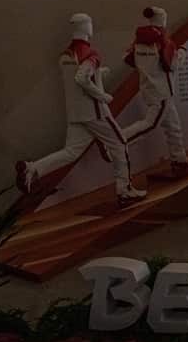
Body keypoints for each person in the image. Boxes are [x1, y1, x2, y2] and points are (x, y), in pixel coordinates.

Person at [15, 14, 146, 208]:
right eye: (90, 24)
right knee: (119, 144)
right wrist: (103, 96)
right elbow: (82, 79)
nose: (92, 27)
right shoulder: (90, 53)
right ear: (86, 27)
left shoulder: (65, 55)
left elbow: (76, 79)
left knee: (71, 152)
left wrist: (99, 74)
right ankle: (124, 189)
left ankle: (32, 168)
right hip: (95, 112)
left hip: (76, 114)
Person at [120, 6, 188, 176]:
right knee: (150, 124)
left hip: (149, 89)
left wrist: (147, 69)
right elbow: (173, 65)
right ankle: (117, 139)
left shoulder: (138, 42)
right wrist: (182, 51)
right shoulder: (164, 42)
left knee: (173, 126)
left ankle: (179, 158)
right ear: (163, 21)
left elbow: (127, 58)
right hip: (162, 92)